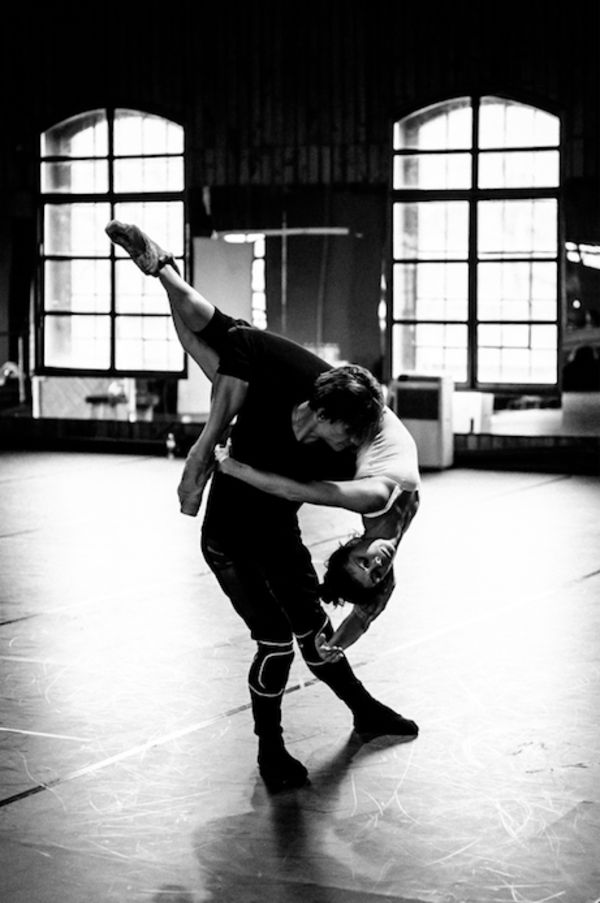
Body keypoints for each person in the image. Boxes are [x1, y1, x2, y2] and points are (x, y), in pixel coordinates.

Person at [106, 220, 420, 792]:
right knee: (275, 640)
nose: (352, 449)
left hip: (277, 532)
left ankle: (365, 711)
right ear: (324, 413)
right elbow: (217, 335)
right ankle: (270, 750)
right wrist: (206, 452)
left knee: (314, 630)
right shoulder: (290, 373)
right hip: (228, 541)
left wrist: (235, 465)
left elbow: (327, 499)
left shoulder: (352, 464)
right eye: (347, 436)